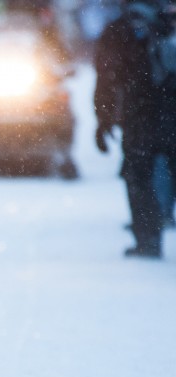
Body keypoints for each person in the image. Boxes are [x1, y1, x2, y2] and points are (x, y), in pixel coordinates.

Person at [94, 0, 176, 258]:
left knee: (138, 176)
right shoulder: (168, 23)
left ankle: (148, 239)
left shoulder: (120, 28)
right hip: (172, 111)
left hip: (139, 114)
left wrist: (103, 120)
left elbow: (106, 77)